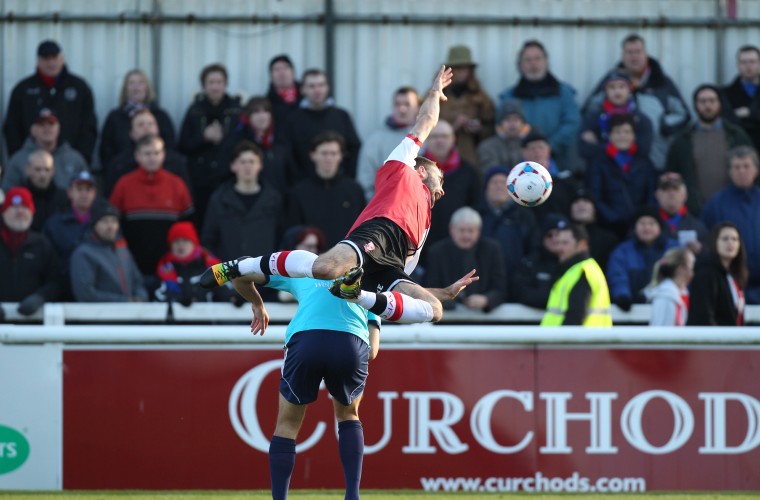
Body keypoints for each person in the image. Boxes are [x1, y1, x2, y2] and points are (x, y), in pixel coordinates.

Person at [202, 66, 478, 324]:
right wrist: (433, 95)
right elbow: (425, 123)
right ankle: (241, 265)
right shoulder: (402, 168)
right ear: (420, 172)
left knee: (435, 310)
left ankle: (355, 292)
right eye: (439, 179)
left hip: (388, 266)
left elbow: (404, 288)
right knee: (324, 269)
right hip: (380, 232)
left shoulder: (425, 223)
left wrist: (445, 291)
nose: (442, 189)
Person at [582, 34, 690, 170]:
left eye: (638, 52)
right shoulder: (611, 80)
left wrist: (663, 124)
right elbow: (589, 108)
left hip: (655, 159)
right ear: (622, 56)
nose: (634, 57)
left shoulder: (662, 83)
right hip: (614, 163)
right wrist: (593, 132)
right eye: (629, 52)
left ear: (646, 54)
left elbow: (683, 114)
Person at [109, 134, 194, 277]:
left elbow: (188, 225)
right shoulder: (124, 184)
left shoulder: (177, 184)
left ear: (164, 155)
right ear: (137, 156)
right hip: (132, 265)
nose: (152, 158)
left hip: (171, 267)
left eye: (157, 153)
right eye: (147, 153)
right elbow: (113, 224)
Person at [3, 40, 98, 163]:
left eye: (54, 57)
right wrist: (19, 159)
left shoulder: (79, 87)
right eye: (46, 58)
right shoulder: (23, 89)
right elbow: (12, 127)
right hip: (32, 165)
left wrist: (82, 158)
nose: (51, 62)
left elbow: (89, 126)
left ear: (62, 59)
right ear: (38, 61)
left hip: (69, 163)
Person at [665, 84, 752, 215]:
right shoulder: (682, 141)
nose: (707, 105)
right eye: (702, 101)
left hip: (734, 209)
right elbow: (672, 176)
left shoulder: (736, 136)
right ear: (695, 105)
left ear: (720, 103)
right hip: (695, 212)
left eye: (712, 100)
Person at [498, 39, 581, 171]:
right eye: (528, 60)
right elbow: (502, 128)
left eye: (538, 58)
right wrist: (528, 150)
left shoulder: (564, 93)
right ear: (520, 65)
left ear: (546, 62)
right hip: (520, 164)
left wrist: (548, 147)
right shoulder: (508, 97)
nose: (533, 64)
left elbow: (572, 123)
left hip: (561, 161)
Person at [179, 63, 242, 228]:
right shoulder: (194, 110)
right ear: (204, 85)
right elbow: (183, 145)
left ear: (225, 84)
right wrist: (204, 138)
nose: (215, 86)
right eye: (211, 82)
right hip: (199, 179)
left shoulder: (236, 110)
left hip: (228, 177)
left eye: (219, 82)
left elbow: (241, 141)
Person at [201, 140, 284, 265]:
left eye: (252, 161)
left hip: (265, 276)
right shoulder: (219, 199)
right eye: (242, 162)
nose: (247, 166)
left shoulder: (274, 199)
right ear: (233, 166)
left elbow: (281, 238)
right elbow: (208, 240)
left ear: (260, 165)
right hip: (229, 277)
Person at [700, 146, 760, 304]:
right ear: (729, 171)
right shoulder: (715, 203)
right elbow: (707, 241)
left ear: (756, 169)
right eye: (737, 167)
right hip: (729, 282)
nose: (742, 171)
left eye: (746, 166)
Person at [286, 131, 366, 247]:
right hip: (312, 260)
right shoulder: (299, 192)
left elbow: (363, 228)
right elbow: (293, 232)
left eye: (333, 153)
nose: (328, 158)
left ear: (341, 156)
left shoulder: (354, 190)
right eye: (324, 153)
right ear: (313, 155)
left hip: (347, 259)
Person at [586, 113, 657, 239]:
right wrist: (615, 219)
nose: (622, 136)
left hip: (640, 228)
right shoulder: (598, 162)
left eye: (627, 132)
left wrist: (642, 218)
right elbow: (595, 196)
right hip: (609, 227)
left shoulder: (644, 161)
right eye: (618, 132)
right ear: (610, 135)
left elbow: (652, 193)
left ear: (633, 135)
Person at [282, 68, 362, 179]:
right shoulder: (292, 119)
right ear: (302, 89)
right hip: (303, 186)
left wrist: (346, 177)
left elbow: (354, 149)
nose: (317, 90)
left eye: (321, 85)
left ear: (327, 88)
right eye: (312, 86)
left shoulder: (341, 116)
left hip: (339, 183)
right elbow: (288, 154)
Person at [423, 207, 505, 311]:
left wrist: (486, 300)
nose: (466, 235)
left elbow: (501, 288)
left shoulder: (492, 250)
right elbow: (429, 287)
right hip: (445, 319)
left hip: (484, 320)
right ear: (451, 229)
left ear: (478, 232)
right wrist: (447, 297)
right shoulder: (436, 252)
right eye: (461, 230)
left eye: (470, 231)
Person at [420, 120, 481, 252]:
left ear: (453, 139)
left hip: (460, 244)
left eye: (445, 136)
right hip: (423, 243)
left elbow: (477, 204)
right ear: (427, 140)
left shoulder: (468, 171)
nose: (440, 141)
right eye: (435, 136)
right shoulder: (416, 171)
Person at [42, 171, 104, 300]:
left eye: (88, 189)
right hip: (64, 289)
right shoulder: (55, 224)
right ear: (70, 192)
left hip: (99, 289)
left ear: (95, 194)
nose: (84, 194)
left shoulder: (106, 222)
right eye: (79, 189)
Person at [69, 203, 148, 302]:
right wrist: (124, 301)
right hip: (98, 315)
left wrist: (140, 297)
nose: (110, 226)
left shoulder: (122, 250)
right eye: (105, 221)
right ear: (95, 225)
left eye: (114, 221)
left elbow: (138, 281)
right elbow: (85, 294)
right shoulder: (83, 253)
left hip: (130, 313)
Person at [0, 187, 60, 317]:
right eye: (15, 207)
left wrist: (40, 297)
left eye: (25, 207)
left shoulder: (42, 244)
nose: (20, 212)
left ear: (32, 212)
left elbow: (55, 282)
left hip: (33, 322)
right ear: (4, 212)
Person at [103, 108, 191, 197]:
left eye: (151, 124)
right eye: (140, 125)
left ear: (157, 130)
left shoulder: (177, 163)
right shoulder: (118, 165)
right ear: (131, 133)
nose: (146, 127)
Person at [99, 69, 176, 168]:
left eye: (141, 82)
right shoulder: (115, 117)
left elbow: (170, 146)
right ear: (125, 89)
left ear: (147, 87)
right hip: (122, 171)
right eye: (131, 83)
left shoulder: (161, 116)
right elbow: (106, 149)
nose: (136, 87)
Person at [606, 207, 680, 311]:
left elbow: (682, 276)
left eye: (652, 223)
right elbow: (617, 276)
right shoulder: (622, 251)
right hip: (632, 311)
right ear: (635, 227)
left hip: (669, 306)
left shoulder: (674, 249)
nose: (647, 228)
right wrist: (622, 296)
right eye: (642, 223)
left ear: (660, 227)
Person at [219, 96, 295, 193]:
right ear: (248, 117)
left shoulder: (281, 142)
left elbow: (291, 175)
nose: (262, 116)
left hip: (279, 201)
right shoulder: (237, 144)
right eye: (256, 112)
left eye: (266, 111)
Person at [540, 223, 612, 326]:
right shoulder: (575, 270)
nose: (559, 248)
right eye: (558, 243)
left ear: (582, 245)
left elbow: (575, 317)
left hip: (575, 340)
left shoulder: (583, 271)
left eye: (565, 243)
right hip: (574, 340)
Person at [356, 87, 420, 200]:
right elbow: (365, 180)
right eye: (397, 104)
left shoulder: (429, 137)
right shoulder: (375, 140)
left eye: (407, 104)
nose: (402, 109)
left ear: (417, 107)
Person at [578, 71, 653, 165]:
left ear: (629, 90)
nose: (617, 91)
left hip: (634, 173)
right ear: (605, 91)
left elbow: (643, 150)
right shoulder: (593, 118)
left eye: (621, 87)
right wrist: (626, 144)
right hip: (601, 172)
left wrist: (603, 146)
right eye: (612, 87)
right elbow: (584, 150)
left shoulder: (641, 120)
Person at [3, 108, 88, 191]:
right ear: (33, 130)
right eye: (41, 124)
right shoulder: (18, 160)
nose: (47, 128)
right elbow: (8, 193)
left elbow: (89, 192)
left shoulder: (75, 159)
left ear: (58, 129)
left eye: (51, 124)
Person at [475, 165, 539, 275]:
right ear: (486, 188)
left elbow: (534, 248)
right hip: (482, 278)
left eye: (503, 183)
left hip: (517, 279)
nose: (499, 186)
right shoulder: (475, 215)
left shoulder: (524, 215)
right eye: (494, 182)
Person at [439, 45, 495, 166]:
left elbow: (492, 128)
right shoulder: (435, 95)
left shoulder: (481, 98)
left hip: (471, 159)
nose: (461, 73)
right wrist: (452, 128)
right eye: (457, 68)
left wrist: (478, 129)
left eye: (465, 68)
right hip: (438, 159)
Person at [155, 221, 233, 306]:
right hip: (175, 319)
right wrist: (177, 299)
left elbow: (227, 290)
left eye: (185, 240)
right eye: (176, 241)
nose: (180, 245)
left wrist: (233, 297)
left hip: (208, 318)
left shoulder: (213, 266)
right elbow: (158, 296)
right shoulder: (164, 269)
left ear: (194, 243)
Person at [687, 222, 747, 326]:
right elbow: (703, 316)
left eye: (735, 239)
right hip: (715, 340)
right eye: (725, 239)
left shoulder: (733, 275)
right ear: (714, 242)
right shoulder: (706, 274)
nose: (730, 243)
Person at [511, 213, 566, 308]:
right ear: (542, 237)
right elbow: (521, 293)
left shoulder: (576, 264)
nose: (555, 239)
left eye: (559, 234)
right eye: (549, 235)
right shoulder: (529, 263)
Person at [654, 172, 708, 256]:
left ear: (685, 195)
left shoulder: (698, 227)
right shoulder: (646, 225)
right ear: (657, 195)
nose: (671, 193)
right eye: (666, 189)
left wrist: (701, 250)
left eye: (675, 189)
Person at [567, 188, 619, 272]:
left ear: (594, 208)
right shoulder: (561, 238)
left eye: (586, 201)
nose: (581, 205)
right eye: (576, 202)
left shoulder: (608, 239)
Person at [476, 99, 532, 176]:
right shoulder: (487, 147)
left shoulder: (531, 144)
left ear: (523, 122)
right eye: (507, 119)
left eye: (516, 119)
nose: (512, 124)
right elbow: (491, 172)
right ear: (500, 123)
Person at [722, 45, 760, 154]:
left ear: (759, 63)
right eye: (744, 62)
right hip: (738, 152)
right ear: (738, 65)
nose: (748, 66)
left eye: (752, 61)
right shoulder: (726, 93)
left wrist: (750, 113)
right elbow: (727, 121)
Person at [645, 247, 695, 326]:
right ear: (680, 269)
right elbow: (660, 333)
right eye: (691, 267)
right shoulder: (666, 297)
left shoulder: (679, 293)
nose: (693, 272)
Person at [21, 149, 68, 231]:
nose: (42, 175)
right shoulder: (20, 197)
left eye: (47, 170)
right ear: (27, 170)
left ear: (53, 171)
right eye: (37, 169)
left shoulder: (64, 197)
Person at [266, 54, 302, 136]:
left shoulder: (307, 97)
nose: (282, 73)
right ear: (271, 76)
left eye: (286, 68)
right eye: (277, 69)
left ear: (293, 73)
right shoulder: (267, 103)